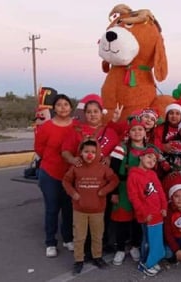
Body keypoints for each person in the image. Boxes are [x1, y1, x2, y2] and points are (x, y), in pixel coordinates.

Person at [61, 94, 119, 252]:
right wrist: (73, 160)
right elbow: (65, 151)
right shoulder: (77, 131)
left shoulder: (110, 132)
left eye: (96, 111)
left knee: (102, 215)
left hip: (101, 182)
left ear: (102, 113)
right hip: (82, 182)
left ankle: (101, 246)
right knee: (81, 215)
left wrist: (108, 157)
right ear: (85, 114)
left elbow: (118, 151)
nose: (93, 114)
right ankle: (83, 248)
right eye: (89, 112)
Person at [62, 139, 119, 274]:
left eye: (93, 152)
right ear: (81, 153)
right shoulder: (76, 167)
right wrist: (73, 193)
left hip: (98, 210)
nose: (90, 154)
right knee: (79, 236)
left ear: (98, 153)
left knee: (97, 235)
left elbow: (114, 180)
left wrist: (104, 191)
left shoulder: (103, 168)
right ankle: (78, 260)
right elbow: (66, 181)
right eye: (86, 151)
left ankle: (97, 257)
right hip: (79, 209)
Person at [34, 94, 77, 258]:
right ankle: (50, 242)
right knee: (52, 209)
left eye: (66, 104)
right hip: (50, 173)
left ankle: (68, 238)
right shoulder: (47, 127)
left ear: (70, 107)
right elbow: (39, 148)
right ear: (54, 108)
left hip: (71, 174)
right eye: (59, 105)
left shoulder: (76, 126)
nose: (63, 107)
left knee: (68, 209)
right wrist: (53, 160)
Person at [109, 117, 149, 266]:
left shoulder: (149, 150)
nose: (137, 132)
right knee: (122, 221)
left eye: (140, 129)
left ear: (145, 132)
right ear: (129, 132)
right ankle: (120, 248)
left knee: (137, 221)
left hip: (141, 191)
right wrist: (114, 192)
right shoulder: (121, 148)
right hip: (123, 188)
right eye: (134, 129)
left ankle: (134, 246)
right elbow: (112, 171)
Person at [127, 147, 168, 277]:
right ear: (141, 157)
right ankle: (144, 262)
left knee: (156, 240)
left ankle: (152, 259)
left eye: (155, 159)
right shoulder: (133, 175)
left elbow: (160, 191)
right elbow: (134, 197)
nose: (152, 160)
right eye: (149, 157)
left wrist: (164, 207)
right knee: (147, 240)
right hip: (146, 216)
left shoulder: (153, 174)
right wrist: (144, 213)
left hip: (157, 214)